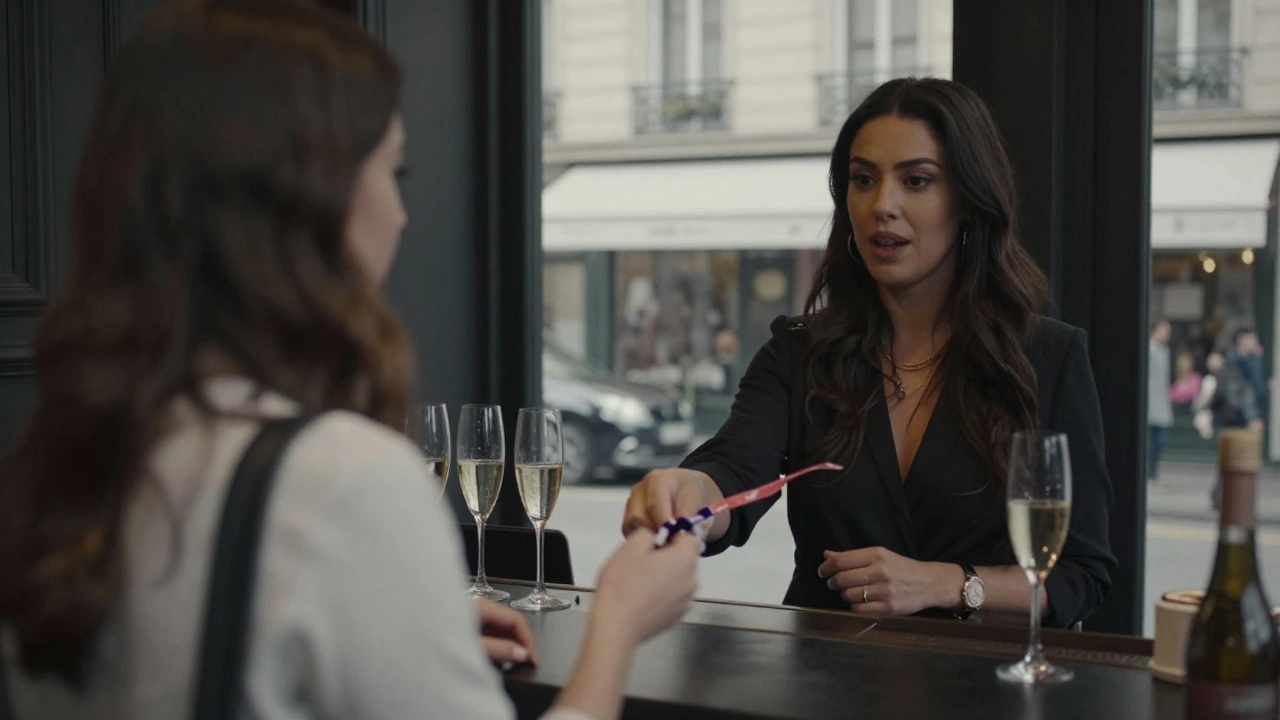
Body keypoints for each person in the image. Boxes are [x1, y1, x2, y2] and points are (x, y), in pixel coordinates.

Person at [0, 3, 699, 719]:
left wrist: (388, 630)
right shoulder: (340, 481)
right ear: (310, 198)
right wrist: (617, 624)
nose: (400, 213)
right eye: (393, 170)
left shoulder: (62, 464)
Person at [622, 77, 1116, 629]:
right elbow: (730, 472)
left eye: (918, 180)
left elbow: (1081, 575)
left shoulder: (1048, 356)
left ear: (969, 198)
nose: (883, 205)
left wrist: (952, 582)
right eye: (863, 180)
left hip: (980, 687)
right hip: (823, 677)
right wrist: (684, 492)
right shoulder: (799, 351)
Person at [1147, 320, 1174, 482]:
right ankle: (1149, 472)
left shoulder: (1165, 351)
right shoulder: (1148, 349)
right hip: (1150, 400)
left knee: (1160, 440)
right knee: (1150, 440)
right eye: (1165, 331)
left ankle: (1152, 471)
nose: (1167, 335)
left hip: (1162, 400)